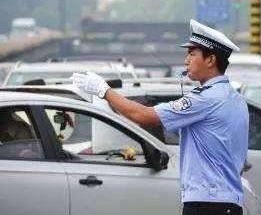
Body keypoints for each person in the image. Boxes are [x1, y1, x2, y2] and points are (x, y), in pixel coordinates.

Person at [72, 19, 249, 215]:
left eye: (192, 54)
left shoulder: (205, 99)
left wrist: (103, 90)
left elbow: (143, 116)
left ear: (210, 60)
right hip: (229, 202)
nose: (186, 60)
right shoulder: (236, 99)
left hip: (207, 203)